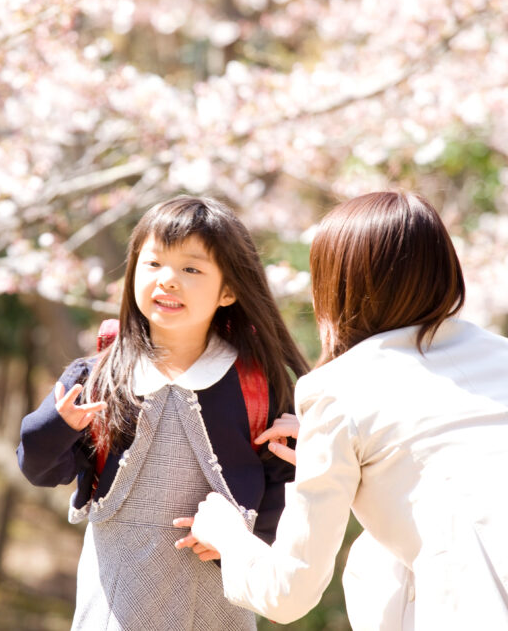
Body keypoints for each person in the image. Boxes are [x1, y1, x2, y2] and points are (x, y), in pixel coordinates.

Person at [179, 192, 508, 630]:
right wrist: (331, 452)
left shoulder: (335, 389)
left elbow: (291, 592)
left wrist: (228, 535)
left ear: (336, 287)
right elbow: (466, 463)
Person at [16, 195, 309, 631]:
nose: (167, 281)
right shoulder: (97, 378)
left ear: (228, 290)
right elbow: (40, 470)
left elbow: (281, 482)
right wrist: (56, 426)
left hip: (216, 594)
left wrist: (252, 542)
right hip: (116, 597)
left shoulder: (257, 384)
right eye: (153, 264)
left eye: (191, 269)